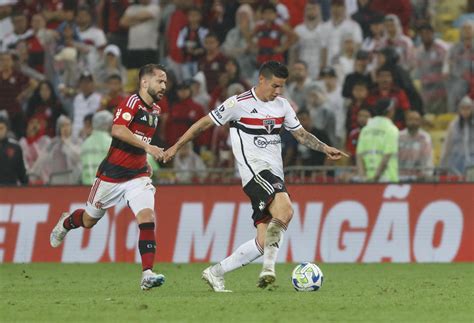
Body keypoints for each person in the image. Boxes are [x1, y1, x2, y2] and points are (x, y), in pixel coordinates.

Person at [163, 61, 347, 291]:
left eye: (281, 87)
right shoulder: (238, 104)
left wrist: (324, 148)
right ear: (262, 80)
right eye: (275, 86)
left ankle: (215, 272)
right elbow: (203, 124)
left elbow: (300, 134)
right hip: (255, 172)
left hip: (274, 173)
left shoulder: (283, 106)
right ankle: (268, 269)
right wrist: (176, 146)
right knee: (286, 209)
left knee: (263, 241)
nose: (278, 91)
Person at [50, 64, 168, 291]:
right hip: (112, 174)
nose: (164, 86)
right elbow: (119, 130)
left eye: (165, 82)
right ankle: (66, 222)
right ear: (144, 82)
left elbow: (138, 139)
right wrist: (150, 148)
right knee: (88, 220)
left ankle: (147, 273)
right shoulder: (131, 102)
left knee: (147, 217)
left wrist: (144, 160)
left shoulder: (156, 110)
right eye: (159, 81)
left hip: (137, 175)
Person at [356, 98, 399, 182]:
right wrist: (376, 177)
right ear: (390, 110)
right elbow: (387, 156)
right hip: (387, 178)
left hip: (367, 179)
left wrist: (363, 177)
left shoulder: (365, 129)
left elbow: (359, 156)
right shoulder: (391, 129)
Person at [440, 96, 474, 174]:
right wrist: (442, 165)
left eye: (468, 108)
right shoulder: (453, 125)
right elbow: (447, 147)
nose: (465, 111)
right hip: (456, 161)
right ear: (459, 109)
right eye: (463, 108)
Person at [80, 111, 114, 185]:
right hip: (103, 186)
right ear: (107, 124)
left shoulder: (85, 143)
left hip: (86, 185)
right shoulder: (111, 143)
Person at [398, 111, 433, 180]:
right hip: (400, 177)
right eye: (410, 119)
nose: (413, 122)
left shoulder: (425, 138)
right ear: (406, 121)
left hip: (419, 179)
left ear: (420, 122)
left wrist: (428, 174)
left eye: (416, 120)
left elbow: (428, 158)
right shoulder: (399, 136)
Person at [0, 116, 28, 186]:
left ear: (7, 129)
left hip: (11, 191)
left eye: (1, 128)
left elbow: (22, 174)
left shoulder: (16, 148)